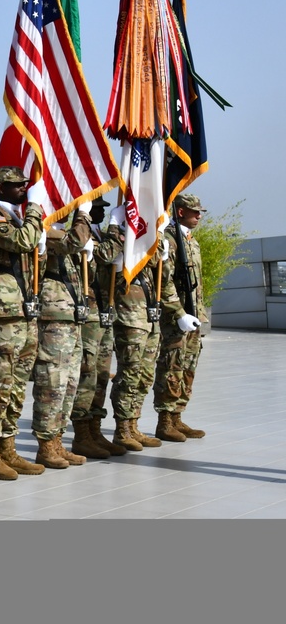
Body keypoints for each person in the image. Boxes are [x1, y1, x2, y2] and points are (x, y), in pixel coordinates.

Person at [97, 201, 193, 451]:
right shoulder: (120, 243)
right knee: (129, 373)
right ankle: (122, 428)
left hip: (150, 315)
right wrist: (116, 228)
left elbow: (164, 278)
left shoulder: (149, 247)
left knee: (145, 375)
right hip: (129, 314)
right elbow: (106, 265)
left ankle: (134, 424)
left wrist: (160, 250)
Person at [0, 166, 48, 481]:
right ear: (1, 188)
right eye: (17, 186)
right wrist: (35, 212)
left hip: (25, 310)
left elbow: (32, 256)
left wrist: (41, 247)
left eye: (25, 186)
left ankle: (8, 448)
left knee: (17, 385)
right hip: (4, 312)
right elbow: (21, 242)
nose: (24, 190)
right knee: (0, 383)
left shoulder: (17, 219)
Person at [30, 204, 92, 469]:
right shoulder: (47, 233)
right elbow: (76, 240)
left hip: (71, 319)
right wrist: (84, 215)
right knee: (52, 385)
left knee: (69, 385)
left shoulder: (60, 233)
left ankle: (57, 440)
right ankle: (45, 445)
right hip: (53, 319)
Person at [69, 196, 127, 458]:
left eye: (105, 210)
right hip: (89, 313)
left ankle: (95, 429)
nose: (102, 213)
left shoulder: (99, 234)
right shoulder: (80, 234)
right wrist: (117, 229)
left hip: (104, 310)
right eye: (97, 209)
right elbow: (104, 255)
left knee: (102, 375)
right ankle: (82, 435)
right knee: (88, 374)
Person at [153, 193, 207, 441]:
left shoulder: (191, 241)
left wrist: (198, 313)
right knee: (171, 367)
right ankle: (165, 421)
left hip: (193, 316)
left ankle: (177, 416)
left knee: (188, 367)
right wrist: (178, 313)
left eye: (200, 211)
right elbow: (164, 282)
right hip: (176, 317)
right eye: (194, 210)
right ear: (180, 211)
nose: (199, 215)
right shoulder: (169, 240)